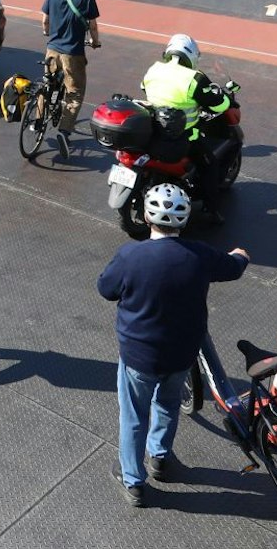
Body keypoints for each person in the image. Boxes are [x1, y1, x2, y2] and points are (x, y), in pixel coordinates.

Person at [98, 183, 250, 506]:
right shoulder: (199, 256)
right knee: (167, 403)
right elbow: (233, 267)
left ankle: (133, 480)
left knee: (133, 415)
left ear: (147, 218)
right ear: (182, 221)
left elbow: (105, 288)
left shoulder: (130, 256)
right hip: (182, 354)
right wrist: (241, 256)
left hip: (138, 356)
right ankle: (160, 457)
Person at [138, 34, 234, 221]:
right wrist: (226, 99)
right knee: (209, 164)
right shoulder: (195, 78)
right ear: (191, 55)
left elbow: (143, 87)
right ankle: (211, 211)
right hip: (186, 134)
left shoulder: (154, 69)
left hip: (154, 129)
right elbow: (217, 105)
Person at [40, 0, 102, 154]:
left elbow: (45, 20)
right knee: (74, 93)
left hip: (52, 50)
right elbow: (92, 26)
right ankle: (64, 132)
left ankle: (36, 120)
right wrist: (94, 41)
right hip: (72, 54)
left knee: (46, 85)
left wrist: (47, 32)